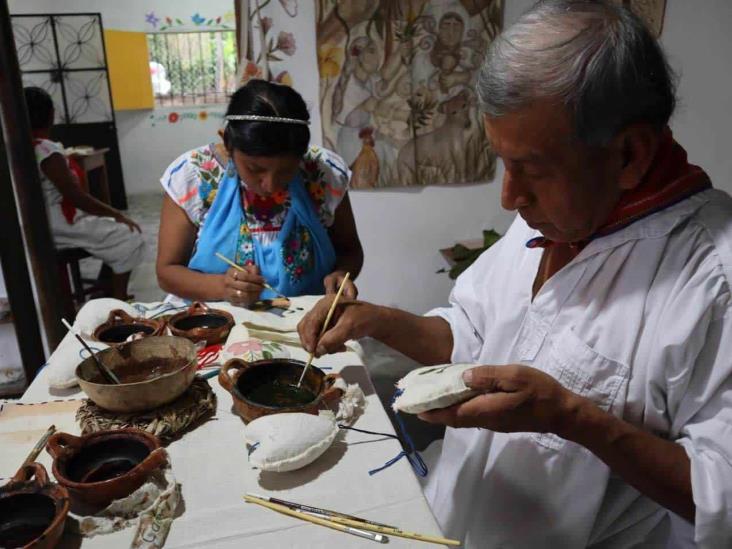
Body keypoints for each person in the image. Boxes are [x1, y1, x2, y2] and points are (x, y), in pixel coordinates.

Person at [298, 1, 732, 547]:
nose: (509, 196)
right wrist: (373, 320)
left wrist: (573, 417)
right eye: (503, 163)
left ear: (629, 155)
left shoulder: (713, 278)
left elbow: (722, 496)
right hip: (461, 519)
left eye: (532, 170)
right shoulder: (549, 219)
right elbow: (471, 335)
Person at [157, 80, 363, 306]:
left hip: (305, 319)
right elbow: (167, 272)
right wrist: (222, 286)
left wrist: (341, 275)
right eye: (255, 169)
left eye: (286, 170)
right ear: (227, 143)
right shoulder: (194, 176)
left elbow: (350, 250)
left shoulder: (322, 174)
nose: (270, 185)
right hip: (213, 321)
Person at [24, 87, 144, 301]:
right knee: (129, 234)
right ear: (51, 115)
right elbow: (75, 196)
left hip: (38, 223)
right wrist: (116, 213)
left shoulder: (22, 148)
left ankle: (103, 290)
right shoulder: (47, 152)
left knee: (113, 233)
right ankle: (118, 298)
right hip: (59, 224)